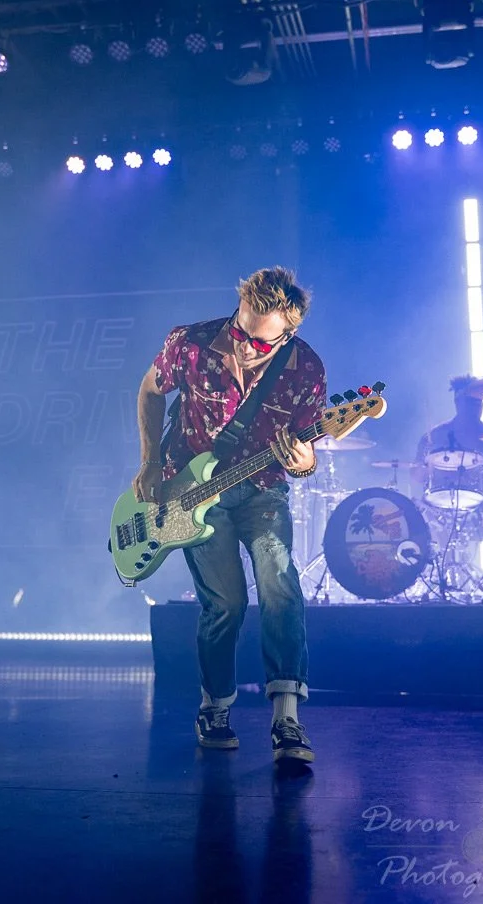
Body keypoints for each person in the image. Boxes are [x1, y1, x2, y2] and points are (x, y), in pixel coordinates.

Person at [132, 267, 326, 763]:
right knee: (227, 605)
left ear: (288, 333)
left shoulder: (306, 368)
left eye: (259, 343)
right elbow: (150, 389)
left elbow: (306, 455)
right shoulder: (190, 343)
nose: (244, 347)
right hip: (193, 493)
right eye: (240, 332)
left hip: (263, 491)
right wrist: (150, 461)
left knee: (280, 585)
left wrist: (303, 462)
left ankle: (287, 719)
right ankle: (214, 707)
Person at [414, 375, 483, 562]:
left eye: (479, 402)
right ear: (457, 402)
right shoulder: (436, 435)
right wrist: (425, 468)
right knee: (429, 510)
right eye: (470, 402)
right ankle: (446, 569)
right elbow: (416, 475)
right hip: (443, 501)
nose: (475, 407)